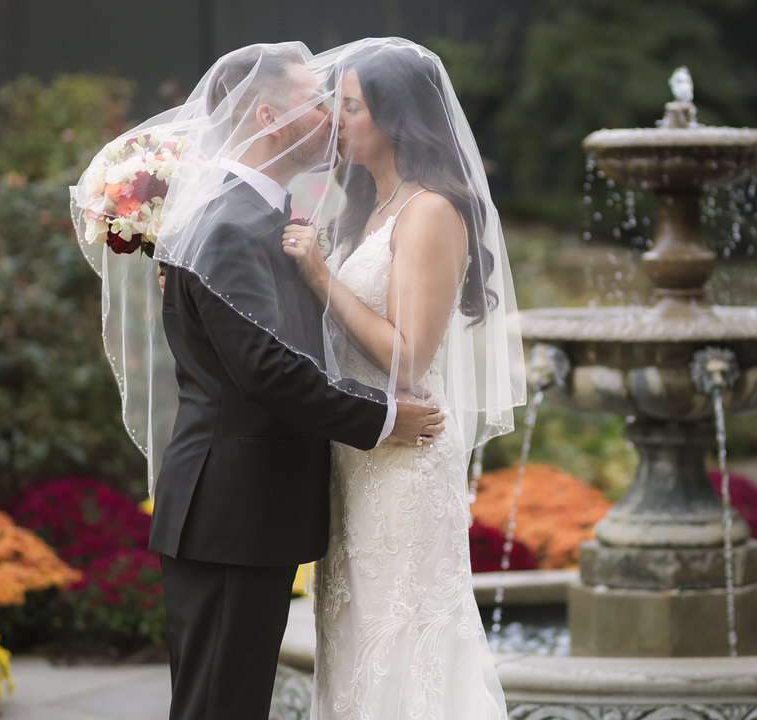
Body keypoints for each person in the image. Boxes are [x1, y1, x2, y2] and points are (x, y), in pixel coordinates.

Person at [72, 42, 446, 720]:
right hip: (231, 513)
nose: (333, 117)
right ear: (270, 117)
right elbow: (266, 368)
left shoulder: (260, 217)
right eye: (316, 104)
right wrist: (385, 417)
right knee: (219, 705)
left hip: (246, 513)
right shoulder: (231, 224)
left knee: (227, 701)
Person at [280, 38, 525, 719]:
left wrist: (321, 276)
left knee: (406, 636)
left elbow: (410, 356)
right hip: (357, 452)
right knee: (355, 634)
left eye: (352, 107)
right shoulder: (366, 212)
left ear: (395, 119)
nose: (339, 120)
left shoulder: (430, 211)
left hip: (406, 462)